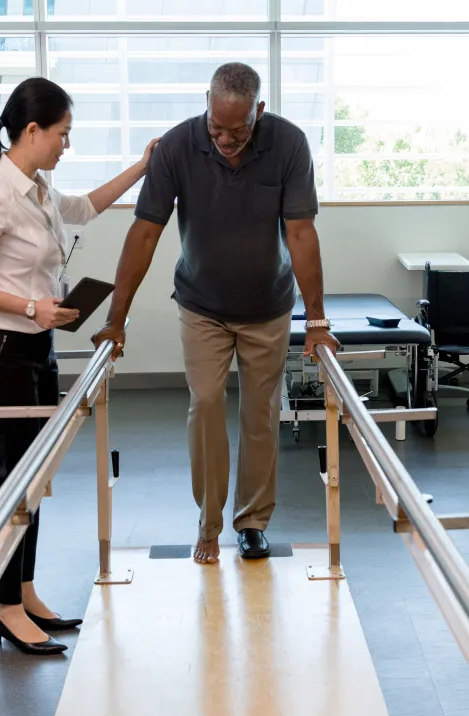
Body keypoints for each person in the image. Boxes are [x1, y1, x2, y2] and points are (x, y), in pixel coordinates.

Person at [0, 77, 157, 655]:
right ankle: (6, 608)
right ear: (32, 131)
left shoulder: (36, 187)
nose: (66, 145)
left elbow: (84, 208)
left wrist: (142, 166)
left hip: (36, 347)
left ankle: (25, 591)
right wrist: (32, 306)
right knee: (15, 483)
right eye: (62, 134)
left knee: (35, 482)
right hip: (3, 350)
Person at [92, 63, 338, 565]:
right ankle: (208, 521)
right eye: (216, 128)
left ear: (259, 112)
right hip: (201, 304)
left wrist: (316, 321)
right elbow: (144, 233)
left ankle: (251, 521)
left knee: (260, 415)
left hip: (268, 306)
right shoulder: (179, 146)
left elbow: (301, 234)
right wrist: (116, 319)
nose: (226, 139)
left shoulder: (289, 145)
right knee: (204, 403)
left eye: (239, 130)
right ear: (206, 103)